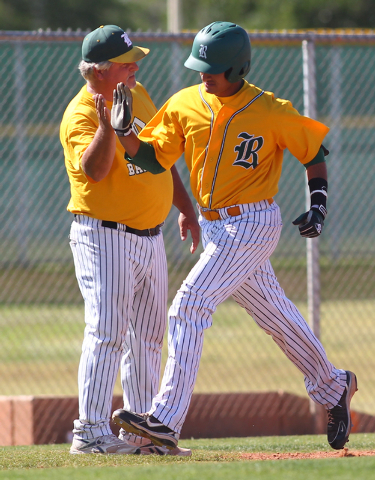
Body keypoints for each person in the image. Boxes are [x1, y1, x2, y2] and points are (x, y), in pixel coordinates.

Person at [109, 21, 358, 452]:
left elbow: (313, 153)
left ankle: (165, 420)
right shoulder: (186, 103)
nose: (204, 74)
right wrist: (126, 135)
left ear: (238, 68)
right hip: (214, 227)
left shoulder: (270, 109)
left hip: (252, 222)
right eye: (201, 65)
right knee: (275, 316)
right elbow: (153, 161)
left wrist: (318, 203)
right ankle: (334, 385)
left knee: (190, 304)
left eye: (214, 68)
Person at [59, 24, 199, 456]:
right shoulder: (81, 113)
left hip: (149, 236)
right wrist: (107, 128)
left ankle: (139, 433)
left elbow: (158, 156)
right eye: (126, 62)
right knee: (106, 331)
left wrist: (185, 206)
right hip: (106, 236)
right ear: (100, 71)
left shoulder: (137, 96)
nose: (135, 65)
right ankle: (91, 432)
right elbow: (95, 170)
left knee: (149, 336)